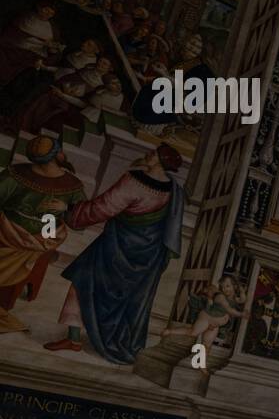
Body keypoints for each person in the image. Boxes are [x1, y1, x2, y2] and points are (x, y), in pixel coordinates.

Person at [44, 145, 186, 363]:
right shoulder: (174, 190)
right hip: (149, 255)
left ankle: (73, 338)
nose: (148, 153)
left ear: (161, 161)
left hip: (117, 247)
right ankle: (114, 340)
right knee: (130, 299)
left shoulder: (134, 182)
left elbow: (101, 209)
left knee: (82, 279)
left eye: (154, 153)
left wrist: (68, 209)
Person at [0, 136, 85, 333]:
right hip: (7, 230)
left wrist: (66, 207)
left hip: (42, 237)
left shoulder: (71, 185)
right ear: (57, 155)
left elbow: (79, 223)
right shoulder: (16, 175)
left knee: (40, 239)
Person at [161, 275, 246, 353]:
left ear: (234, 287)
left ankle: (202, 366)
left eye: (227, 286)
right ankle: (170, 331)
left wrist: (242, 291)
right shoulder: (221, 297)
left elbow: (242, 300)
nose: (224, 289)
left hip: (215, 324)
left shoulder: (234, 299)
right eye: (222, 287)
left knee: (207, 345)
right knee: (193, 333)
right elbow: (229, 309)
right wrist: (241, 314)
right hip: (207, 318)